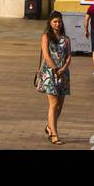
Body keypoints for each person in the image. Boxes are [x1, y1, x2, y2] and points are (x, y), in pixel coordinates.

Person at [37, 10, 71, 145]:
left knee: (60, 106)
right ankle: (54, 134)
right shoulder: (46, 37)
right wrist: (56, 69)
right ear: (50, 23)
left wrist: (63, 69)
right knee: (54, 103)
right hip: (50, 73)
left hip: (64, 73)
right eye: (55, 22)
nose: (57, 24)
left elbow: (69, 56)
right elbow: (46, 55)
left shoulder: (66, 38)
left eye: (59, 21)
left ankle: (49, 127)